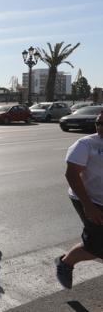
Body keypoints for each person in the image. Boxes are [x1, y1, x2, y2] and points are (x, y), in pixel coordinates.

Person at [56, 112, 103, 289]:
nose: (100, 127)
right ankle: (66, 263)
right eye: (99, 123)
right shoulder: (86, 144)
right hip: (89, 199)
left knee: (97, 245)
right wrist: (88, 206)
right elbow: (71, 174)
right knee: (96, 247)